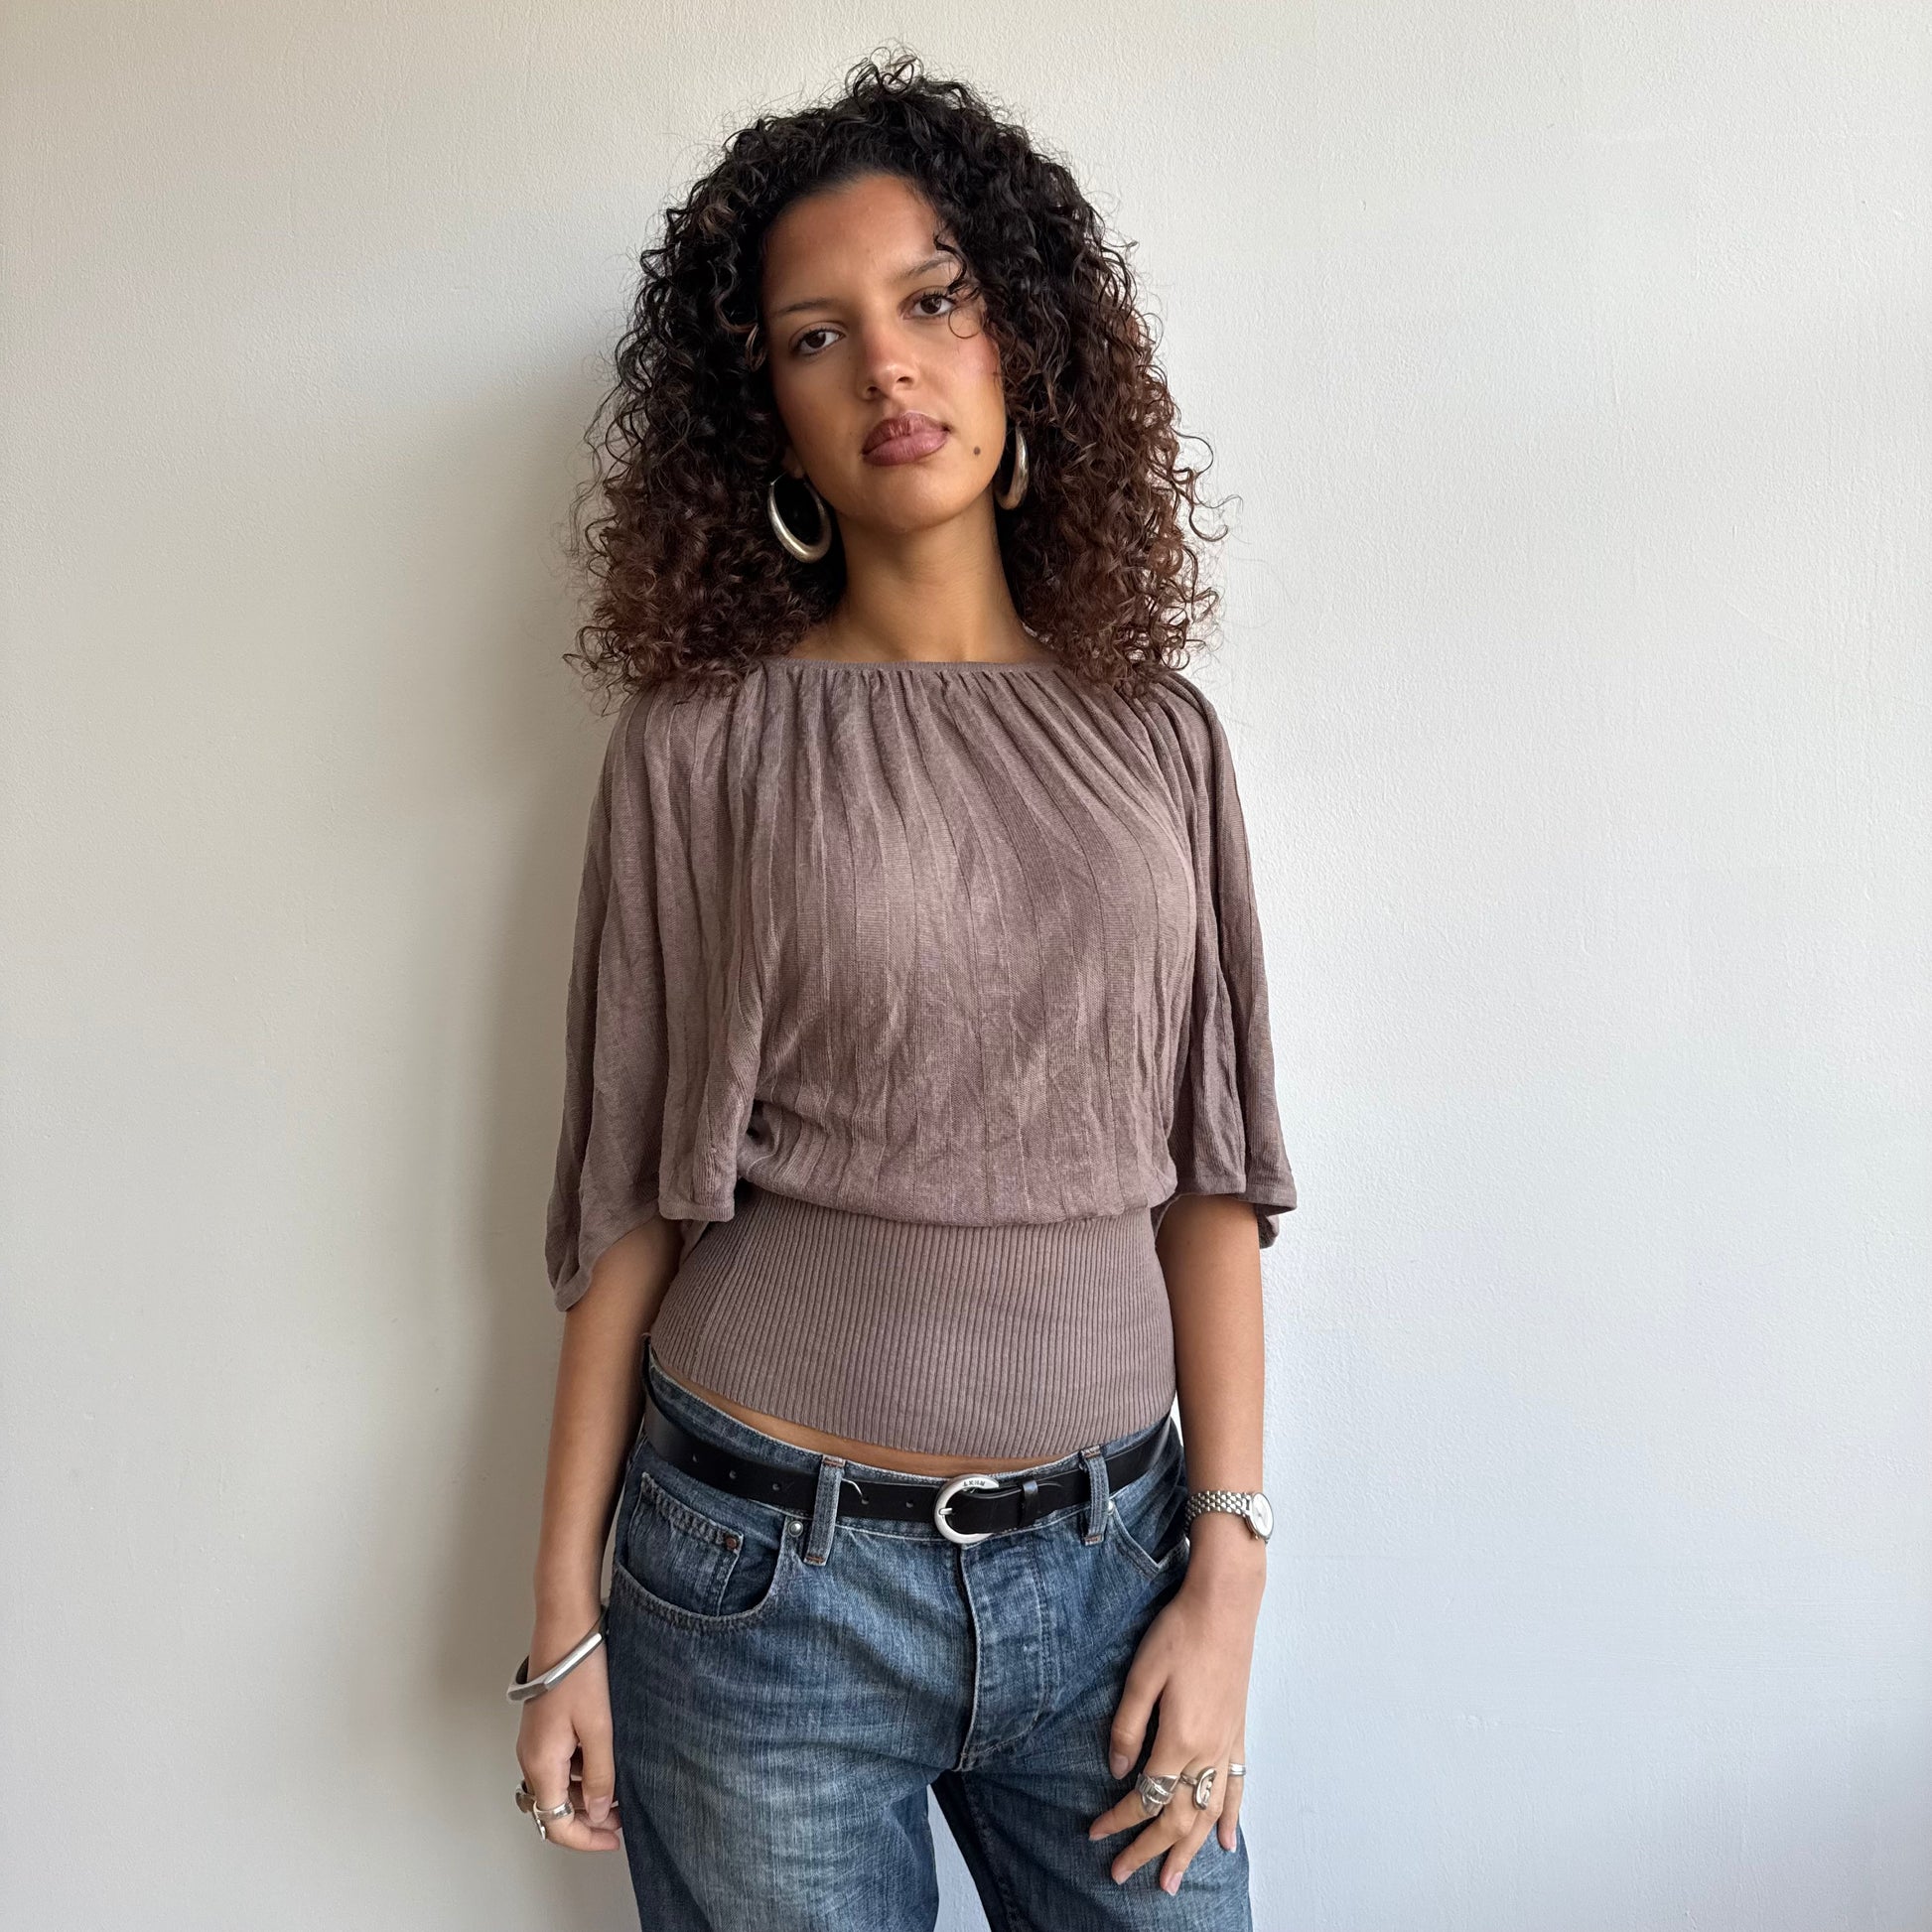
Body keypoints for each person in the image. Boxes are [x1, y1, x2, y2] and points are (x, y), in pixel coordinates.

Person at [509, 52, 1297, 1932]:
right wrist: (559, 1623)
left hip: (1115, 1564)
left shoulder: (1157, 741)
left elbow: (1209, 1177)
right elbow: (632, 1198)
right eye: (817, 336)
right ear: (767, 418)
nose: (886, 366)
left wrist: (1228, 1576)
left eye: (934, 301)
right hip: (759, 1581)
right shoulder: (703, 745)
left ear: (1024, 340)